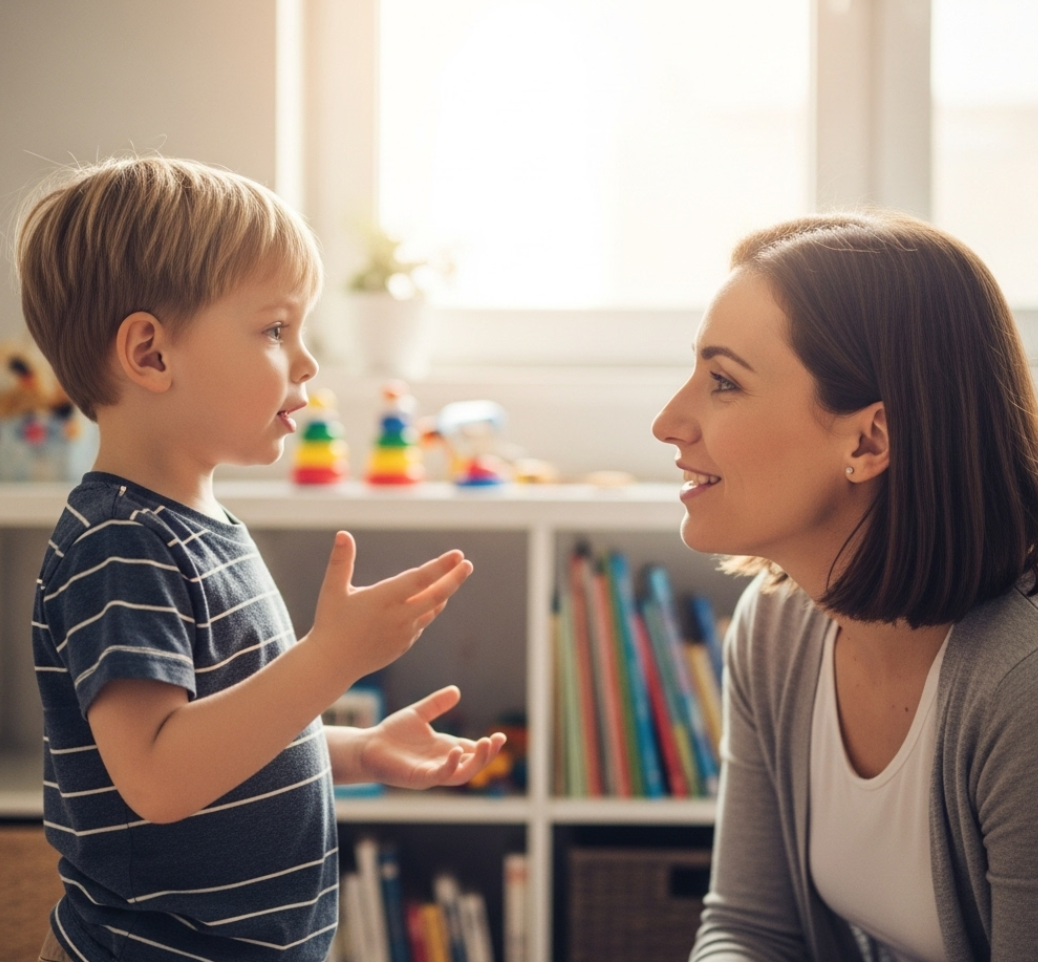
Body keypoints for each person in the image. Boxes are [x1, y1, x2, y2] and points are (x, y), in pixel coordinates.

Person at [16, 156, 506, 962]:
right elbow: (160, 777)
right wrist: (332, 660)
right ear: (150, 354)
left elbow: (227, 739)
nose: (306, 362)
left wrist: (352, 750)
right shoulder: (120, 542)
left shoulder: (200, 523)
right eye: (276, 329)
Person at [652, 212, 1038, 962]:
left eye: (723, 381)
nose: (670, 422)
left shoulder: (1020, 689)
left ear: (868, 440)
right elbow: (749, 928)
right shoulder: (777, 629)